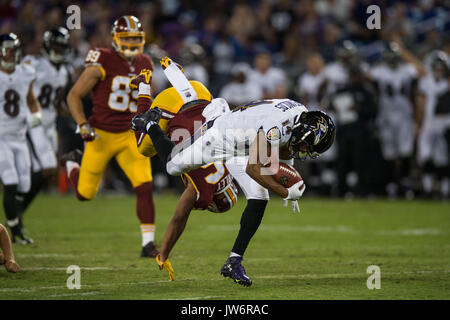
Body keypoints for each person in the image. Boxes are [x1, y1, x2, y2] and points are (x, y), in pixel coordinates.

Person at [132, 67, 336, 284]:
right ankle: (150, 124)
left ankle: (234, 261)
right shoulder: (279, 126)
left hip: (244, 143)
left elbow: (282, 152)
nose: (304, 151)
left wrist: (288, 176)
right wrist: (285, 191)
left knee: (259, 197)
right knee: (173, 165)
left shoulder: (298, 116)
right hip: (220, 137)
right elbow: (254, 169)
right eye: (306, 146)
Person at [130, 57, 239, 281]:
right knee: (144, 147)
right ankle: (144, 86)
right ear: (212, 201)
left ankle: (176, 73)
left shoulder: (231, 163)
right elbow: (178, 220)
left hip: (200, 92)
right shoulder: (201, 194)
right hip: (168, 108)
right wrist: (164, 254)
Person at [62, 16, 158, 257]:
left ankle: (148, 244)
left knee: (145, 186)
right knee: (85, 194)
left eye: (136, 38)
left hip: (129, 135)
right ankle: (72, 164)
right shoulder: (101, 59)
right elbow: (73, 95)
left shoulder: (146, 61)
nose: (132, 43)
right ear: (116, 39)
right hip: (101, 135)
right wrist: (82, 124)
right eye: (127, 38)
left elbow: (148, 99)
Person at [19, 27, 71, 222]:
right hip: (33, 122)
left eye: (62, 47)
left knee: (48, 173)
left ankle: (17, 213)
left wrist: (74, 116)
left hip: (49, 126)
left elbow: (57, 102)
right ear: (48, 46)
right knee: (44, 169)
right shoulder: (33, 64)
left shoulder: (64, 71)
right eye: (57, 46)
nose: (59, 50)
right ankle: (16, 213)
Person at [0, 33, 43, 244]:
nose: (11, 53)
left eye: (13, 49)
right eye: (7, 49)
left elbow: (31, 100)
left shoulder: (25, 73)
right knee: (10, 181)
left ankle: (15, 225)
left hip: (19, 136)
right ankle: (14, 232)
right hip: (1, 138)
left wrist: (36, 114)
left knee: (25, 184)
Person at [369, 40, 426, 198]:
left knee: (405, 151)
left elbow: (420, 77)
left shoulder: (408, 70)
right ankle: (392, 184)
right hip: (386, 116)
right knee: (389, 154)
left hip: (404, 116)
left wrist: (417, 118)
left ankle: (405, 183)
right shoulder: (379, 71)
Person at [416, 51, 449, 198]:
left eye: (441, 68)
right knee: (425, 156)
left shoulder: (447, 83)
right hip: (429, 123)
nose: (438, 71)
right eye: (436, 68)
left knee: (443, 159)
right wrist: (418, 123)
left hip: (445, 123)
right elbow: (421, 105)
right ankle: (428, 188)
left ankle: (444, 190)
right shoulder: (426, 81)